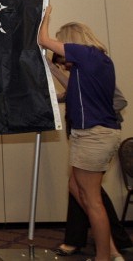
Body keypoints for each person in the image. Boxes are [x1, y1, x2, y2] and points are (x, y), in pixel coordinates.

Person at [38, 5, 125, 261]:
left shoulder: (87, 54)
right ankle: (110, 250)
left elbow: (43, 40)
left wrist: (45, 17)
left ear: (71, 41)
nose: (62, 58)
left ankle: (104, 257)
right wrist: (48, 65)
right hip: (88, 135)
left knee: (92, 199)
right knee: (77, 189)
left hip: (94, 135)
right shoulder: (90, 64)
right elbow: (70, 86)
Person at [48, 54, 132, 256]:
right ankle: (111, 244)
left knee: (88, 193)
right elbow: (75, 93)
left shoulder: (93, 71)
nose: (65, 67)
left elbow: (118, 100)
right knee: (80, 189)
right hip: (82, 134)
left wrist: (95, 114)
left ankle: (109, 246)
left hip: (95, 136)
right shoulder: (79, 75)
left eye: (64, 63)